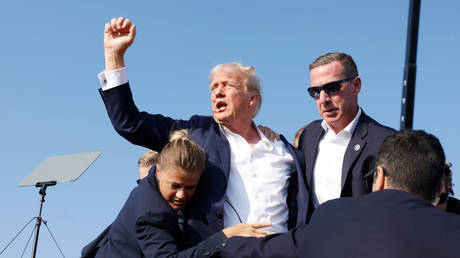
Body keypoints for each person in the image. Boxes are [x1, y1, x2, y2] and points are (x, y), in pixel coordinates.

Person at [97, 17, 310, 247]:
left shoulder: (285, 151)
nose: (216, 92)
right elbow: (129, 123)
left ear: (252, 99)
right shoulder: (196, 132)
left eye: (227, 85)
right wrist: (114, 55)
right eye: (213, 88)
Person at [219, 130, 460, 258]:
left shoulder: (332, 217)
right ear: (440, 189)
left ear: (380, 177)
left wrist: (221, 242)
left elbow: (265, 251)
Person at [81, 130, 272, 258]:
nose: (181, 195)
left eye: (190, 188)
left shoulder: (155, 181)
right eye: (175, 186)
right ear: (157, 171)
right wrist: (226, 235)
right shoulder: (152, 213)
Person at [298, 52, 395, 207]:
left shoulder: (386, 142)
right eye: (315, 92)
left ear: (356, 86)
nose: (323, 100)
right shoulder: (309, 135)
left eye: (332, 88)